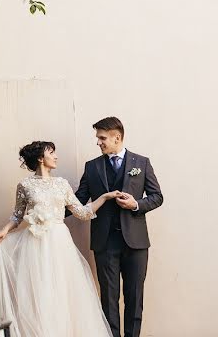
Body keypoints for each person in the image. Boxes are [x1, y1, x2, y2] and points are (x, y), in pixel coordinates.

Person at [0, 140, 116, 337]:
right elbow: (17, 215)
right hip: (34, 243)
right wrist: (4, 230)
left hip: (59, 243)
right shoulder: (25, 185)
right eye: (52, 152)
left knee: (62, 291)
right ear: (41, 158)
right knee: (38, 293)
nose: (56, 156)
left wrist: (104, 197)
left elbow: (82, 213)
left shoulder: (61, 184)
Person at [72, 116, 163, 337]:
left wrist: (136, 204)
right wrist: (47, 206)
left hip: (136, 243)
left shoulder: (141, 163)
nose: (98, 142)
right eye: (97, 138)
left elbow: (157, 197)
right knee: (109, 299)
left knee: (134, 297)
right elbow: (78, 200)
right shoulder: (92, 167)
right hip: (105, 243)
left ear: (117, 137)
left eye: (102, 138)